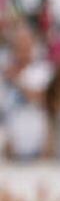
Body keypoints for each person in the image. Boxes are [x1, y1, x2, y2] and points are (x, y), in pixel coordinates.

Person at [0, 21, 53, 161]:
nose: (22, 48)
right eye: (18, 45)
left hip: (38, 147)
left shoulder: (42, 70)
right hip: (11, 150)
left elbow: (42, 99)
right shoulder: (4, 73)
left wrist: (17, 81)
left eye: (26, 44)